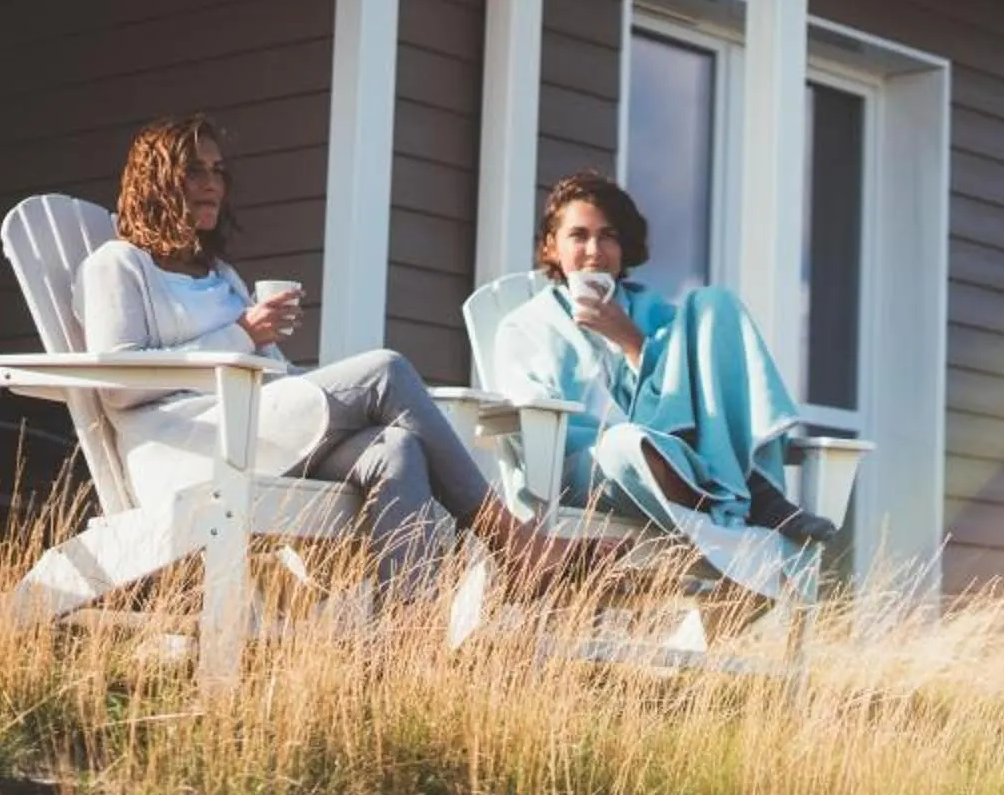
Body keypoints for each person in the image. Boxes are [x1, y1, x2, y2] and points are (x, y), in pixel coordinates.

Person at [77, 114, 574, 585]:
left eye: (217, 171)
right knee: (384, 370)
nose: (211, 183)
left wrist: (272, 357)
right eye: (192, 171)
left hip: (251, 429)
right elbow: (119, 386)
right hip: (183, 446)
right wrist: (243, 335)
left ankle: (402, 640)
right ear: (155, 181)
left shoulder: (220, 275)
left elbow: (264, 371)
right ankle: (511, 540)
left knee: (396, 449)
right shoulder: (118, 265)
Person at [488, 170, 837, 599]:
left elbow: (701, 393)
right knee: (630, 442)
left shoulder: (655, 315)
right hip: (584, 466)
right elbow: (533, 422)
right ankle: (745, 494)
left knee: (714, 302)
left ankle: (740, 489)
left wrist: (632, 341)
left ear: (624, 247)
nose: (594, 251)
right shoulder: (524, 328)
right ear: (551, 247)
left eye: (608, 236)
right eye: (578, 236)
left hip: (681, 454)